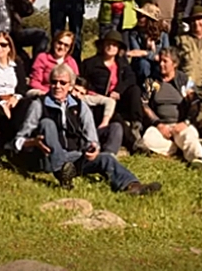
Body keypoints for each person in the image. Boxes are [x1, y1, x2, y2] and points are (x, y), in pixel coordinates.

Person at [13, 63, 162, 194]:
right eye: (54, 82)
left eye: (62, 83)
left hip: (75, 158)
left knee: (106, 158)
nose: (57, 86)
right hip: (47, 159)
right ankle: (61, 172)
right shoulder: (39, 105)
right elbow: (19, 140)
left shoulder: (80, 106)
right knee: (47, 124)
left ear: (70, 86)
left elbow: (92, 137)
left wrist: (94, 148)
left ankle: (132, 185)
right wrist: (34, 143)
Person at [139, 48, 202, 168]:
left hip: (180, 125)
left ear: (174, 64)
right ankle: (179, 149)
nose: (161, 64)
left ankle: (198, 158)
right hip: (160, 126)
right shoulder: (151, 80)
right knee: (147, 139)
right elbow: (144, 104)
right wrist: (158, 124)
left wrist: (185, 122)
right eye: (160, 61)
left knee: (189, 135)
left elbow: (195, 102)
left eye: (165, 61)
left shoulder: (185, 80)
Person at [78, 30, 144, 150]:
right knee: (114, 115)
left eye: (114, 45)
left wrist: (119, 90)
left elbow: (131, 79)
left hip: (119, 99)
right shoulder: (90, 63)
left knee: (135, 90)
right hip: (100, 101)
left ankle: (136, 125)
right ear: (102, 45)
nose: (111, 47)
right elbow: (82, 81)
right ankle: (134, 143)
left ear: (119, 48)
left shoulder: (122, 64)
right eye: (108, 44)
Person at [127, 3, 169, 85]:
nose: (138, 18)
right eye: (138, 15)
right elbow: (137, 54)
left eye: (141, 16)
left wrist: (145, 53)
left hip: (158, 65)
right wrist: (152, 54)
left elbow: (165, 55)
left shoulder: (163, 34)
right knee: (143, 64)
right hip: (141, 66)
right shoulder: (134, 34)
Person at [28, 30, 79, 95]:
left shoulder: (72, 62)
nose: (61, 47)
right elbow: (35, 82)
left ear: (70, 48)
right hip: (44, 93)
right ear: (54, 42)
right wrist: (52, 92)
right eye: (59, 43)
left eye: (66, 45)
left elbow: (75, 84)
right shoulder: (42, 58)